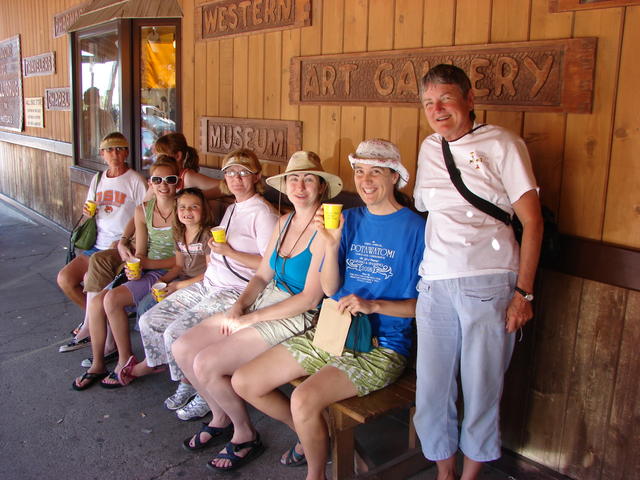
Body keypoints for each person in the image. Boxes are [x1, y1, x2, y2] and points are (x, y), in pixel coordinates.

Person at [232, 139, 425, 480]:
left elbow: (424, 308)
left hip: (382, 347)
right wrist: (332, 245)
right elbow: (331, 289)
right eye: (360, 171)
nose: (365, 180)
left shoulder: (416, 229)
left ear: (394, 177)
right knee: (245, 381)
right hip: (333, 330)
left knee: (303, 399)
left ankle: (316, 473)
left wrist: (374, 305)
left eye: (376, 172)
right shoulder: (344, 219)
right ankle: (320, 440)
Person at [172, 151, 343, 473]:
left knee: (207, 363)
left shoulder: (325, 228)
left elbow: (309, 299)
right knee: (183, 348)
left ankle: (266, 433)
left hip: (297, 313)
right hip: (265, 300)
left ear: (321, 187)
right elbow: (263, 275)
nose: (300, 185)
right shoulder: (284, 220)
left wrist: (250, 318)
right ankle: (226, 418)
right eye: (293, 178)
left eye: (309, 179)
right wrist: (240, 304)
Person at [412, 64, 543, 480]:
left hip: (488, 280)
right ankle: (444, 472)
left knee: (482, 387)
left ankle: (470, 476)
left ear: (469, 100)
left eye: (447, 98)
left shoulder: (502, 142)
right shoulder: (429, 147)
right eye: (429, 102)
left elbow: (533, 223)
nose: (438, 109)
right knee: (432, 389)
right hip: (433, 283)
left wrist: (524, 293)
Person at [117, 150, 277, 405]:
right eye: (231, 173)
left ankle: (199, 389)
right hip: (208, 283)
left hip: (234, 290)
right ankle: (184, 376)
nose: (237, 178)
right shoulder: (234, 207)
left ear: (256, 176)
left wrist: (229, 252)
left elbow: (271, 265)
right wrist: (216, 255)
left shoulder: (263, 213)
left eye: (244, 172)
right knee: (149, 320)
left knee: (174, 333)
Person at [71, 156, 179, 390]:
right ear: (150, 183)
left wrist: (145, 265)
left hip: (171, 271)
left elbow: (184, 259)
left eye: (169, 179)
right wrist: (134, 264)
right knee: (98, 302)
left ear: (178, 182)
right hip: (149, 268)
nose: (163, 185)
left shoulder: (184, 210)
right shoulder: (143, 211)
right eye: (157, 179)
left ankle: (124, 360)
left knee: (111, 299)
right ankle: (98, 363)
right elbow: (140, 250)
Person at [57, 132, 146, 352]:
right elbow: (90, 210)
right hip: (97, 244)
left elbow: (146, 215)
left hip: (121, 248)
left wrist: (127, 240)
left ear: (126, 152)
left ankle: (94, 328)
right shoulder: (99, 179)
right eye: (109, 149)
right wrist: (88, 213)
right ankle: (100, 323)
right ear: (101, 154)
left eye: (119, 149)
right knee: (65, 279)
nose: (114, 154)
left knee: (90, 279)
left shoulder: (135, 180)